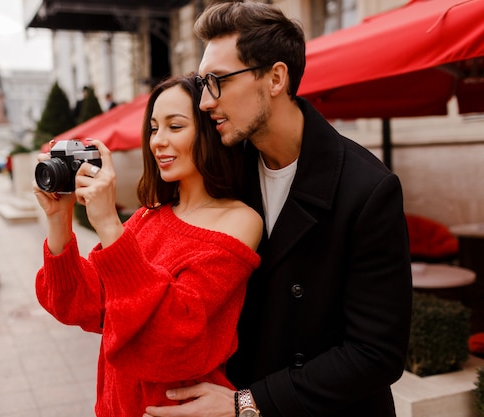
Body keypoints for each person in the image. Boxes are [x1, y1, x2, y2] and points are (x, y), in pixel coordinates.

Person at [144, 3, 412, 417]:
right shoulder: (227, 172)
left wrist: (246, 404)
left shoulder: (367, 189)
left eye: (217, 82)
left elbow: (376, 354)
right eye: (202, 83)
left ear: (275, 78)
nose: (204, 102)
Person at [33, 74, 263, 417]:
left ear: (210, 131)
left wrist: (110, 225)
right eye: (154, 128)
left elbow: (170, 337)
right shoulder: (148, 217)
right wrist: (58, 218)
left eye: (175, 126)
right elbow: (80, 305)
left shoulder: (240, 221)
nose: (158, 141)